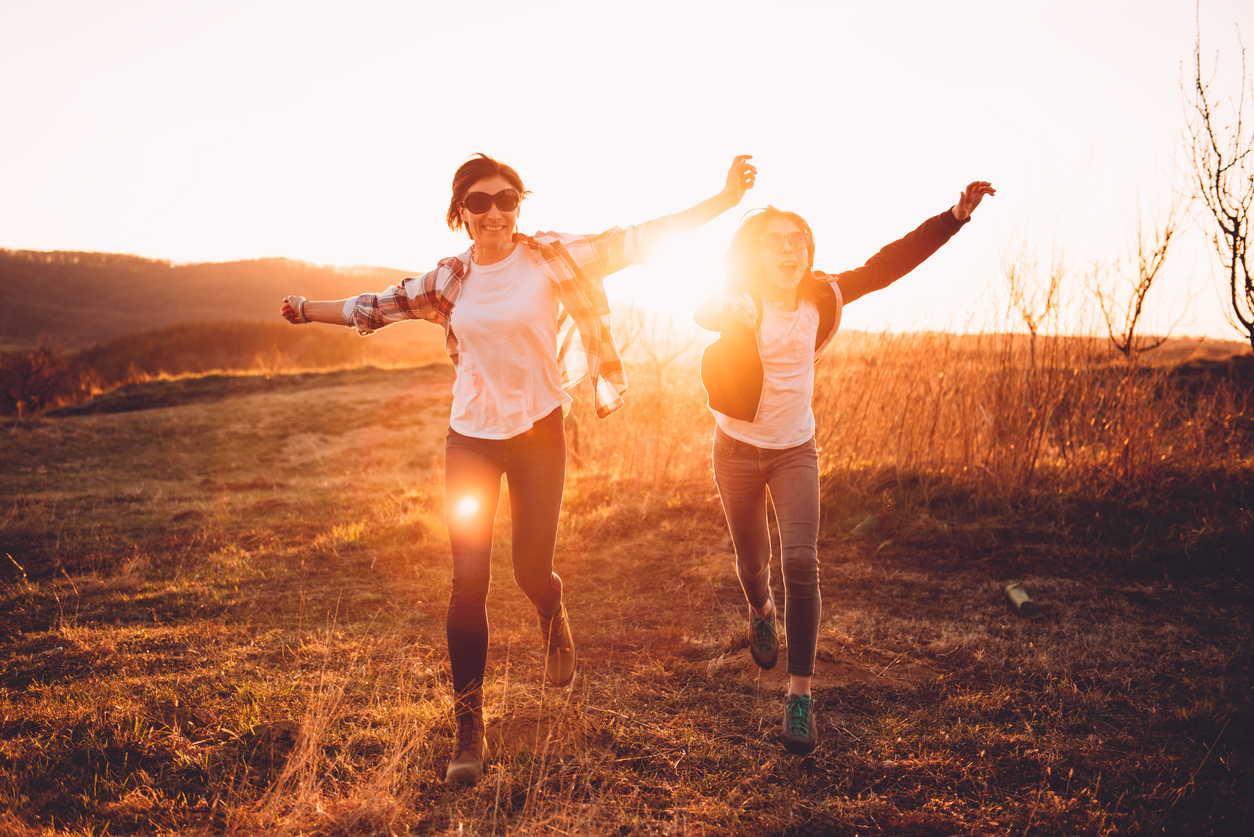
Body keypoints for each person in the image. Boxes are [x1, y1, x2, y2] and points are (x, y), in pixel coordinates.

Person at [281, 152, 757, 785]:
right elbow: (376, 305)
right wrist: (308, 308)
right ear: (461, 214)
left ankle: (551, 609)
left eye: (508, 199)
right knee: (467, 581)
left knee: (529, 568)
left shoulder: (552, 255)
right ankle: (469, 730)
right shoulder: (447, 281)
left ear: (518, 207)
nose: (497, 212)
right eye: (481, 202)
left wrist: (722, 200)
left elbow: (641, 240)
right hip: (470, 440)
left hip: (538, 434)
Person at [695, 180, 995, 755]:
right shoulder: (740, 299)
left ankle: (799, 697)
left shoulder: (823, 296)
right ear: (756, 254)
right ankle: (760, 610)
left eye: (798, 240)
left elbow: (888, 264)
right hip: (734, 449)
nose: (789, 248)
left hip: (793, 451)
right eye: (775, 241)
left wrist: (953, 217)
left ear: (808, 251)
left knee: (801, 562)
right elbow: (703, 307)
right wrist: (723, 306)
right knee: (753, 564)